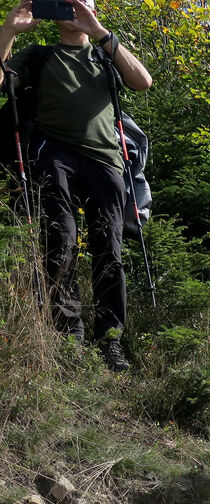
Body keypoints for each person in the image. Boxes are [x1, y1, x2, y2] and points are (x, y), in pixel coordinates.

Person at [0, 0, 152, 371]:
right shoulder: (37, 56)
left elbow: (143, 81)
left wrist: (99, 32)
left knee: (109, 249)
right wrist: (7, 31)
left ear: (93, 9)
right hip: (53, 154)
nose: (73, 8)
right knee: (61, 241)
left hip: (106, 160)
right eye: (66, 3)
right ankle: (69, 336)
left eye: (82, 2)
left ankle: (110, 341)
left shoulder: (104, 54)